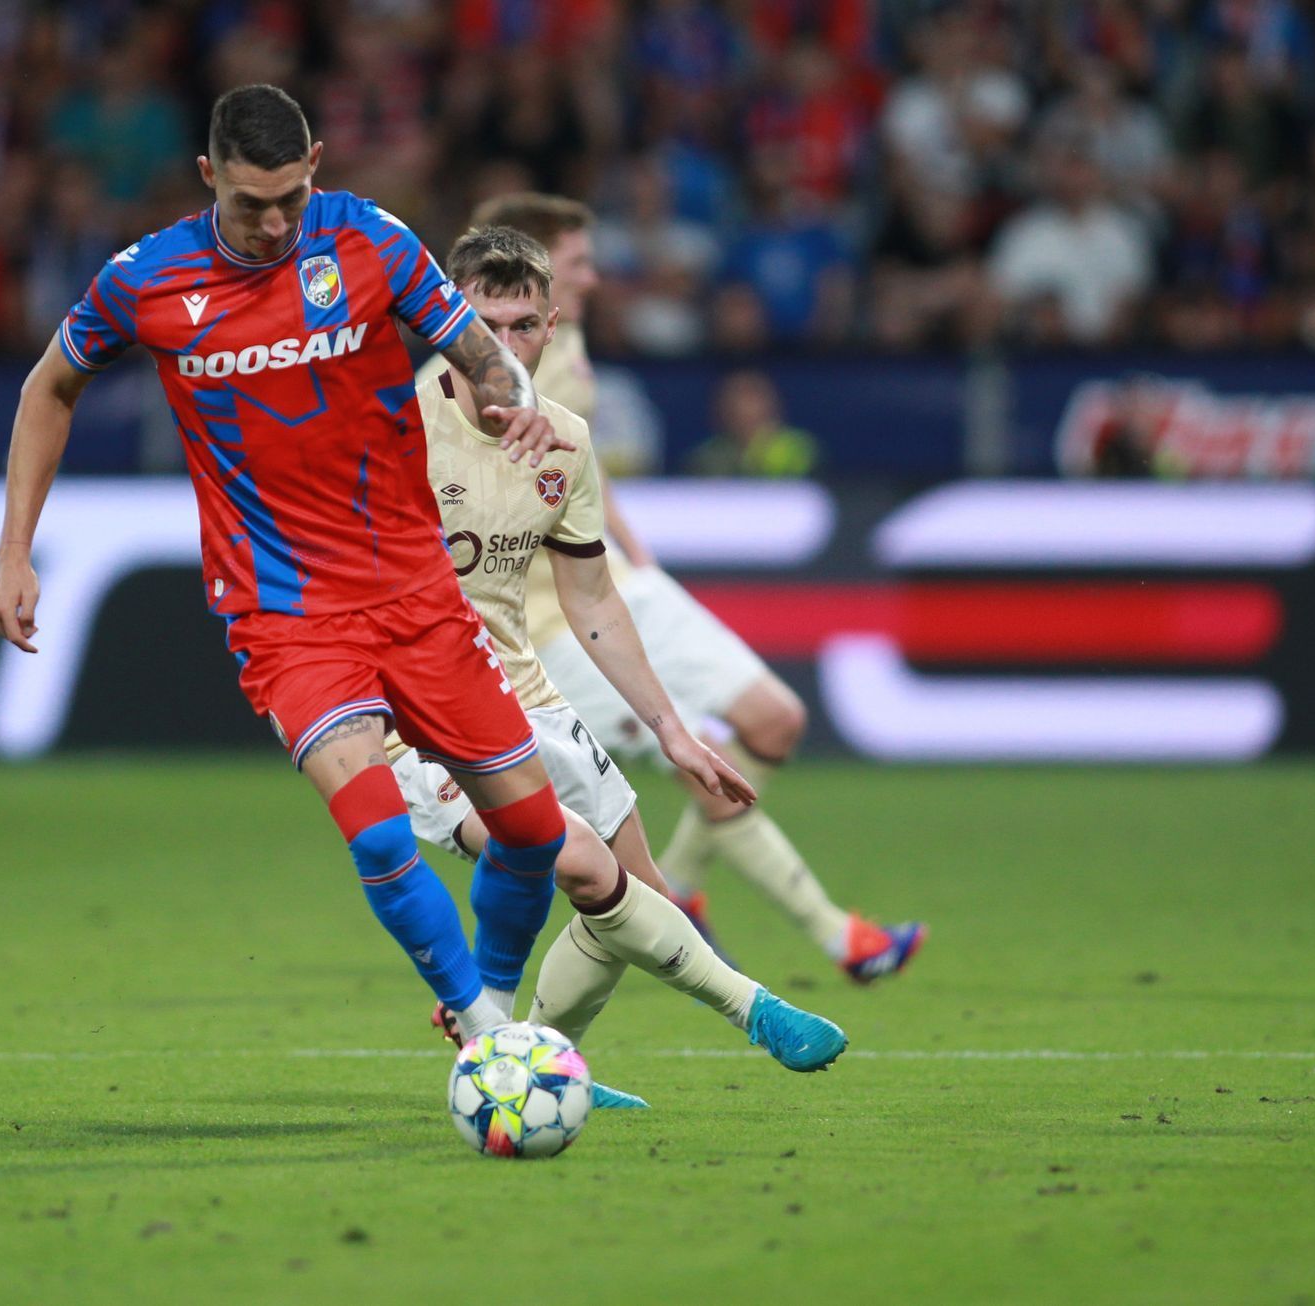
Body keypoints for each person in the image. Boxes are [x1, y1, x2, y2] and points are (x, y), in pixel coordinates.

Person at [0, 86, 731, 1048]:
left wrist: (515, 401)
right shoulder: (146, 281)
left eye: (293, 195)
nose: (275, 220)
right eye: (251, 203)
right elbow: (51, 386)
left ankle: (490, 1011)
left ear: (318, 166)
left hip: (416, 593)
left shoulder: (369, 240)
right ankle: (486, 1036)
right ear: (208, 177)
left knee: (537, 839)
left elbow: (472, 347)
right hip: (284, 610)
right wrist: (14, 552)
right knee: (376, 830)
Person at [394, 226, 847, 1089]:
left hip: (525, 695)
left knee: (632, 902)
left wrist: (672, 730)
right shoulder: (397, 430)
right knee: (578, 863)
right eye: (480, 323)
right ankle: (756, 1008)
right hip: (414, 715)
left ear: (553, 324)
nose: (501, 345)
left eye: (523, 324)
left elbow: (593, 599)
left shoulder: (562, 438)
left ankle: (531, 1054)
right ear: (445, 320)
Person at [460, 192, 926, 984]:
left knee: (768, 722)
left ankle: (706, 891)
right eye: (577, 261)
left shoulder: (562, 351)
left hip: (616, 586)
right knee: (697, 762)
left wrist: (632, 552)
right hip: (556, 627)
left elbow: (577, 474)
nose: (596, 276)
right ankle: (835, 934)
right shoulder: (497, 377)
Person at [686, 370, 819, 478]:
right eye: (735, 396)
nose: (743, 406)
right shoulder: (705, 458)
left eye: (753, 396)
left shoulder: (800, 450)